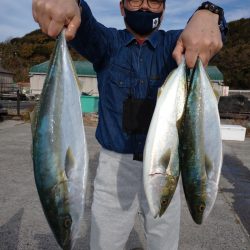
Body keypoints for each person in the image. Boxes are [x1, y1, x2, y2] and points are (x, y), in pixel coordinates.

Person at [32, 0, 227, 249]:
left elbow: (209, 34)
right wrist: (74, 3)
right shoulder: (107, 44)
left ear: (164, 9)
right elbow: (82, 25)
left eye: (154, 1)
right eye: (135, 0)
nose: (144, 7)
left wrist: (209, 13)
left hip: (167, 166)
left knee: (165, 245)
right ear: (122, 7)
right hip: (115, 169)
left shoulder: (175, 45)